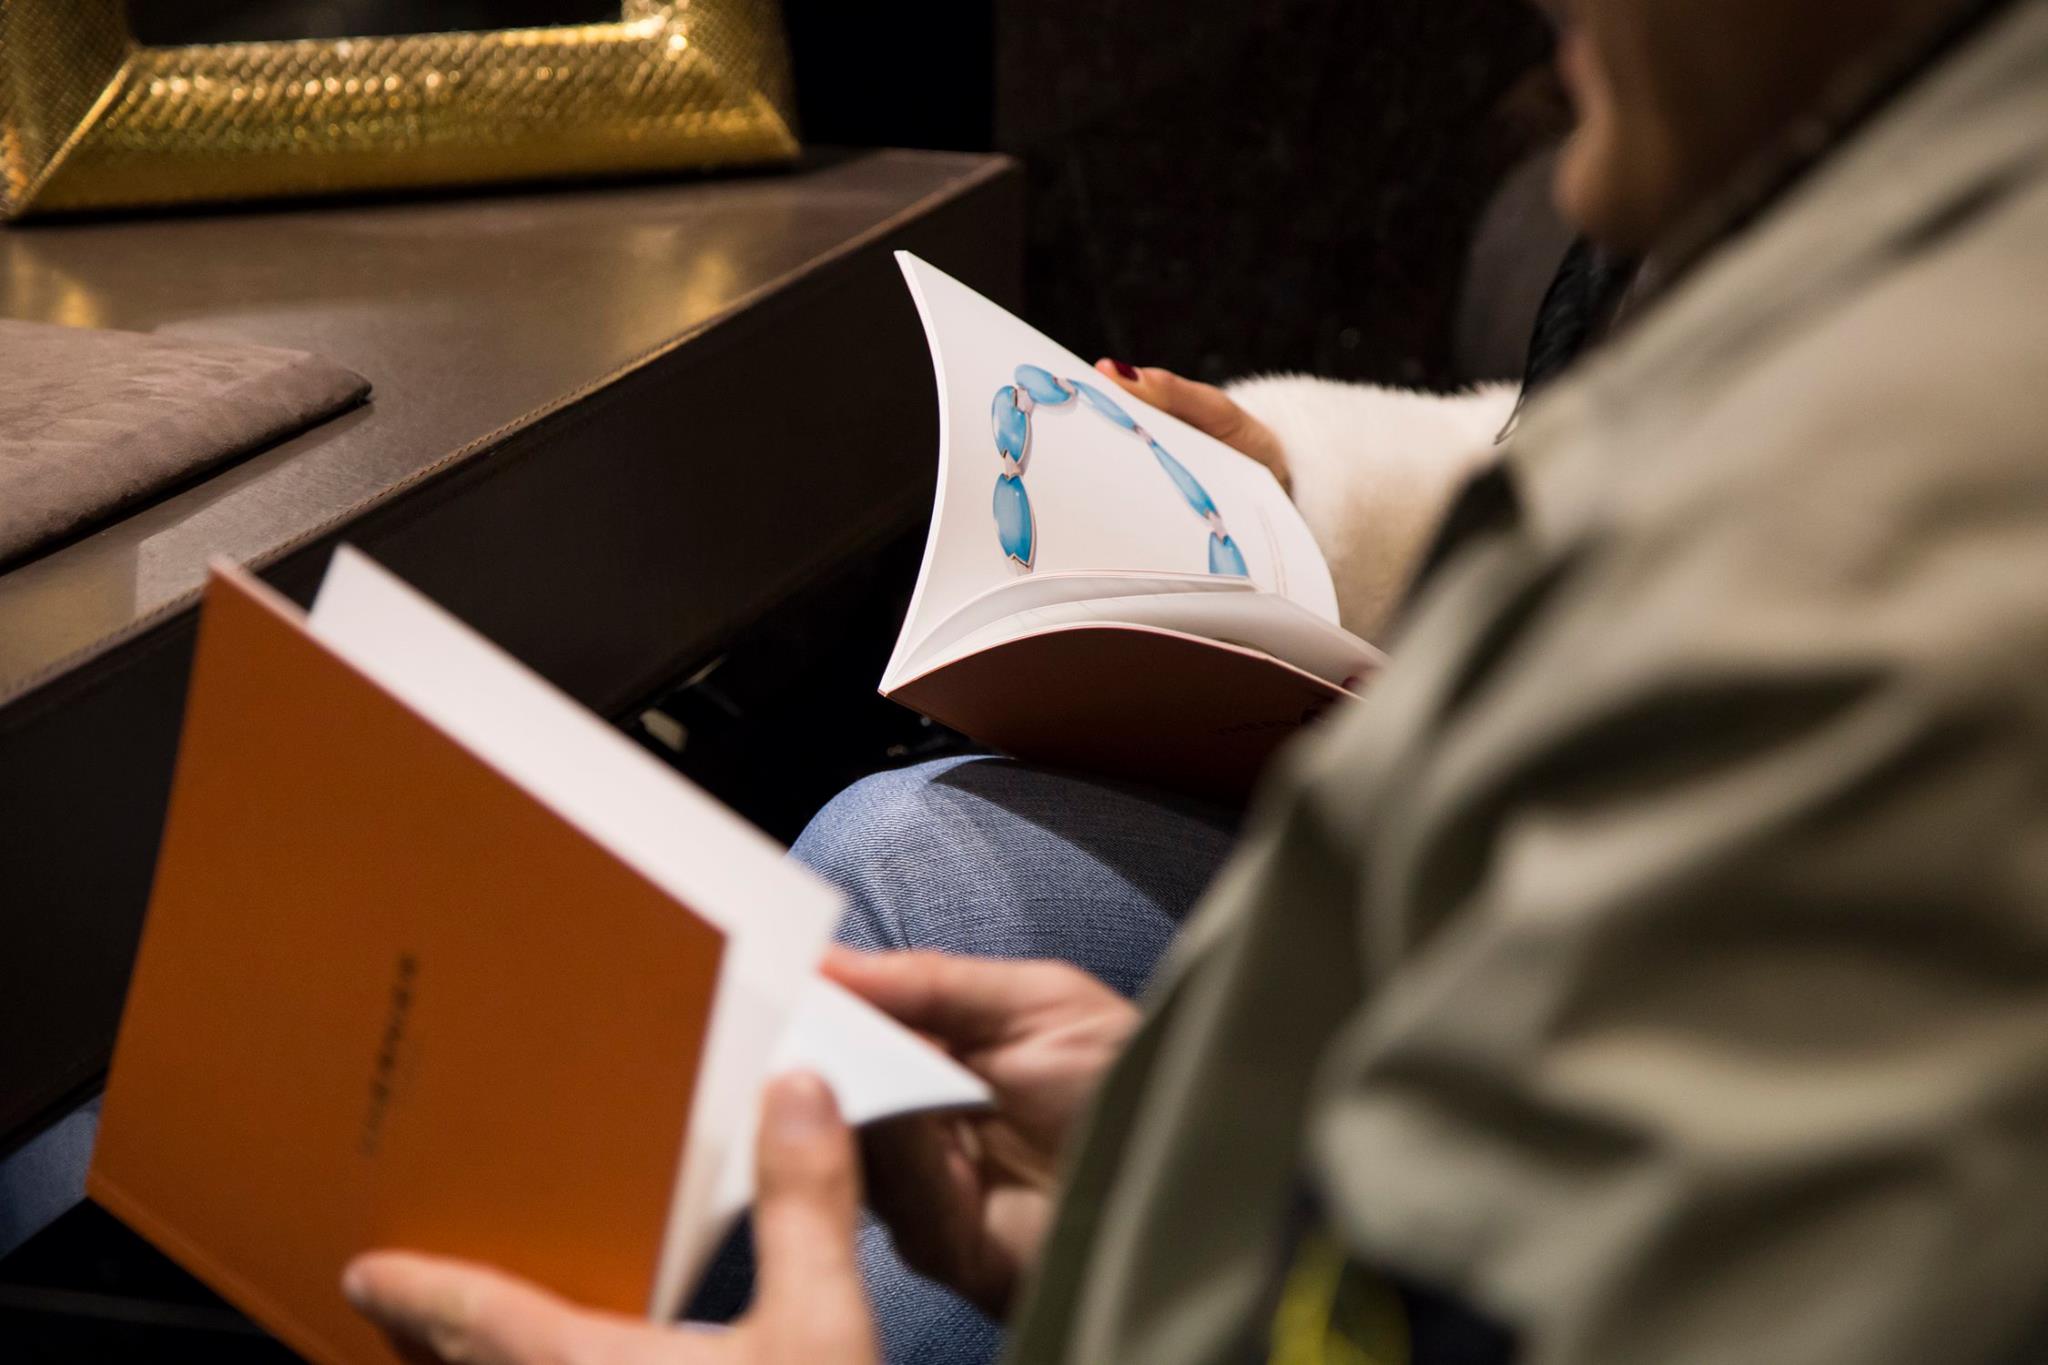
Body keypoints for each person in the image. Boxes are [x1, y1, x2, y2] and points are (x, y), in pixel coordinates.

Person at [354, 0, 2048, 1359]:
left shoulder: (1888, 598)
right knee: (908, 871)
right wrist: (1196, 1179)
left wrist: (1220, 1214)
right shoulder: (1883, 212)